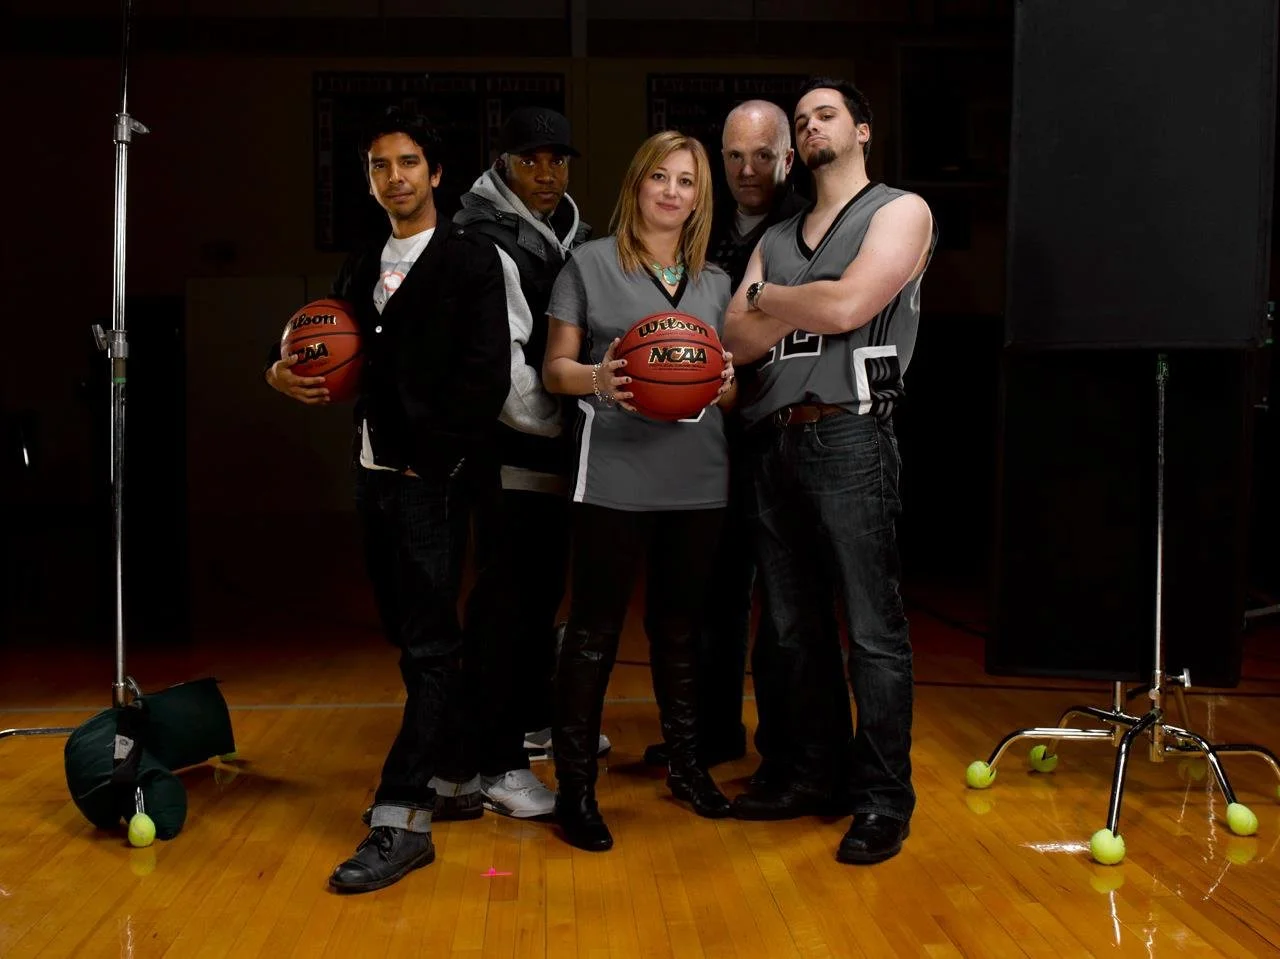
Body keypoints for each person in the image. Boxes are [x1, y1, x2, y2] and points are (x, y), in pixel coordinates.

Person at [265, 106, 510, 892]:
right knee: (408, 631)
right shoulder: (362, 256)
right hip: (373, 470)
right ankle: (460, 773)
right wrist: (285, 374)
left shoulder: (472, 259)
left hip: (429, 479)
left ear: (436, 173)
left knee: (431, 642)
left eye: (408, 162)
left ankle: (402, 816)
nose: (394, 177)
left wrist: (428, 466)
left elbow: (487, 378)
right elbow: (330, 349)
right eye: (379, 166)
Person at [723, 77, 937, 865]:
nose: (812, 126)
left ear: (862, 131)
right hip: (775, 438)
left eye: (827, 115)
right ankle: (814, 776)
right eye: (803, 119)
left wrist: (770, 296)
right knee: (790, 629)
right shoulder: (779, 231)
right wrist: (773, 306)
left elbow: (849, 305)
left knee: (873, 634)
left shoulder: (898, 210)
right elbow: (736, 340)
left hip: (851, 435)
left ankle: (884, 799)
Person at [541, 130, 737, 851]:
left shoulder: (716, 283)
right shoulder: (588, 264)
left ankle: (687, 767)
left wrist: (724, 384)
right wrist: (599, 378)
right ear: (636, 185)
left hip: (698, 475)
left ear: (699, 198)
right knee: (592, 633)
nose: (671, 191)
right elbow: (553, 369)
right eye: (659, 176)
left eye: (686, 182)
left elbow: (732, 381)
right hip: (614, 471)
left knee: (681, 630)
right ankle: (576, 791)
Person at [641, 99, 822, 784]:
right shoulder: (697, 223)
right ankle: (711, 732)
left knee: (781, 607)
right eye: (734, 156)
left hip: (777, 432)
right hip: (705, 436)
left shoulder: (809, 225)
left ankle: (783, 748)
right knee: (704, 598)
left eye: (762, 155)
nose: (747, 170)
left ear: (787, 156)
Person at [434, 106, 599, 819]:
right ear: (503, 162)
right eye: (531, 159)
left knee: (539, 595)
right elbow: (502, 370)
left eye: (557, 159)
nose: (546, 173)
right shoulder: (482, 238)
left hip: (556, 447)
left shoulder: (568, 233)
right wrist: (577, 410)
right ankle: (491, 759)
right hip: (508, 445)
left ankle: (528, 720)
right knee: (506, 604)